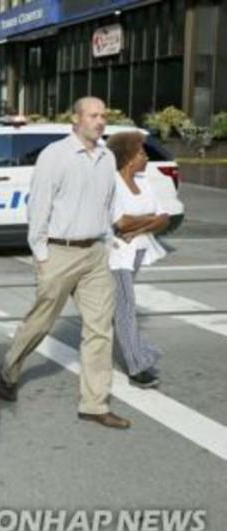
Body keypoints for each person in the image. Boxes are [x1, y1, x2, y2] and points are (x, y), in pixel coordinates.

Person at [0, 97, 131, 429]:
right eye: (93, 115)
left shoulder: (107, 156)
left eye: (103, 115)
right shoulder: (54, 156)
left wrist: (106, 241)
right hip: (59, 253)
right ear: (77, 119)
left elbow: (107, 203)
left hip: (95, 254)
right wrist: (41, 255)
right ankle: (9, 369)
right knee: (40, 323)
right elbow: (38, 208)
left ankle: (94, 403)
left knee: (100, 329)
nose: (100, 121)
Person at [106, 131, 169, 388]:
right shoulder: (112, 183)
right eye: (142, 153)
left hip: (139, 248)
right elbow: (120, 223)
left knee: (118, 307)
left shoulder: (144, 182)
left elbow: (164, 218)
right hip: (117, 253)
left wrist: (140, 226)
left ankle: (134, 351)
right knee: (125, 307)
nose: (146, 158)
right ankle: (136, 365)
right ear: (130, 157)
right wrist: (148, 219)